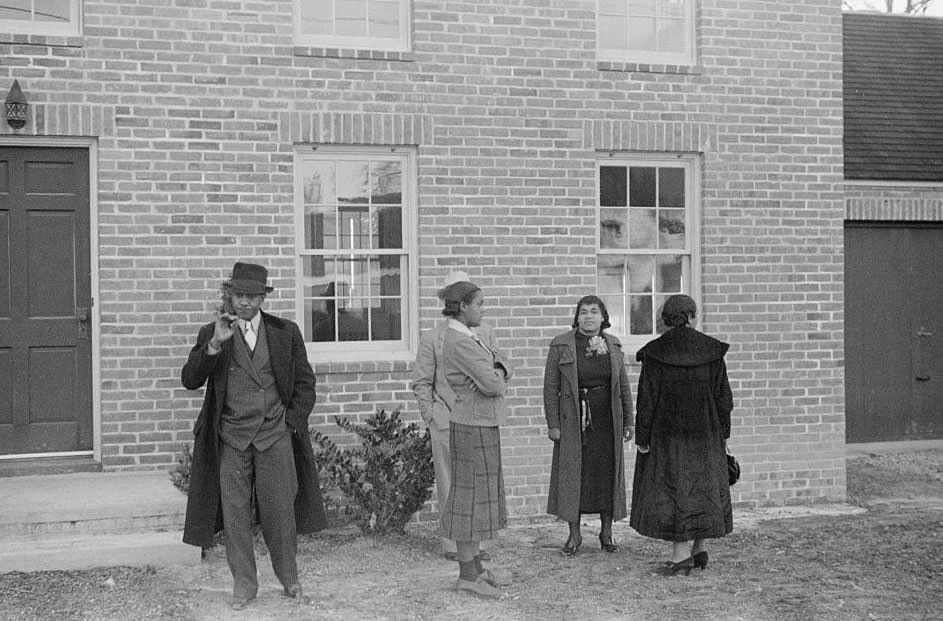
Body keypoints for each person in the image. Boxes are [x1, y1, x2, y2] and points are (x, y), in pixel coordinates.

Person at [181, 261, 327, 610]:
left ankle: (290, 579)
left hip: (274, 434)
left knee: (281, 512)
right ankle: (244, 585)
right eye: (238, 295)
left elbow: (306, 384)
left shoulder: (285, 332)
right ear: (229, 296)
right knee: (234, 515)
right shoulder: (213, 332)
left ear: (263, 297)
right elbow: (189, 379)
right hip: (231, 437)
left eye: (252, 296)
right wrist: (215, 345)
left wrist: (291, 423)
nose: (244, 302)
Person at [630, 294, 734, 576]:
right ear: (692, 316)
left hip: (668, 436)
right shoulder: (712, 351)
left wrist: (643, 437)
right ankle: (699, 549)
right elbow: (724, 398)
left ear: (665, 318)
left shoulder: (655, 352)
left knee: (675, 489)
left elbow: (647, 400)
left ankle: (680, 556)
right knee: (704, 487)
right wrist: (723, 433)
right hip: (706, 432)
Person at [411, 270, 497, 561]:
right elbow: (422, 381)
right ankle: (452, 544)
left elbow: (500, 366)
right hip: (446, 419)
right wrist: (432, 415)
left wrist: (499, 375)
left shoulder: (482, 333)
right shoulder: (432, 337)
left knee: (479, 481)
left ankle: (478, 544)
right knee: (450, 481)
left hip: (477, 420)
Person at [438, 278, 513, 598]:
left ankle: (477, 570)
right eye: (479, 304)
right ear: (463, 307)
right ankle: (467, 575)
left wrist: (498, 368)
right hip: (472, 425)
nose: (483, 309)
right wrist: (499, 370)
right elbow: (494, 384)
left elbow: (497, 369)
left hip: (478, 422)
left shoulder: (469, 336)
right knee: (469, 501)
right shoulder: (461, 341)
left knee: (479, 499)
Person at [543, 295, 634, 556]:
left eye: (594, 312)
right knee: (574, 475)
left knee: (606, 474)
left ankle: (607, 533)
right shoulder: (561, 345)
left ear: (603, 316)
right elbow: (550, 388)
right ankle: (574, 536)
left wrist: (629, 420)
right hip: (573, 422)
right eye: (583, 312)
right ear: (577, 317)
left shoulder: (613, 345)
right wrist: (553, 424)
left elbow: (623, 387)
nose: (588, 317)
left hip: (607, 421)